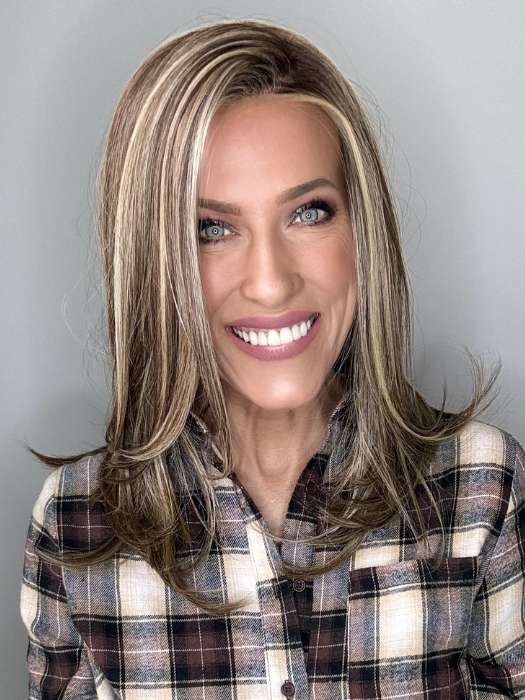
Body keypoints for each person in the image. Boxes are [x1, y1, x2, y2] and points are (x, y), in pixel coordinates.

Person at [20, 17, 525, 699]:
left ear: (362, 228)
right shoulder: (77, 523)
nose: (269, 282)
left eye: (308, 212)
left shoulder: (480, 487)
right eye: (211, 228)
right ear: (155, 260)